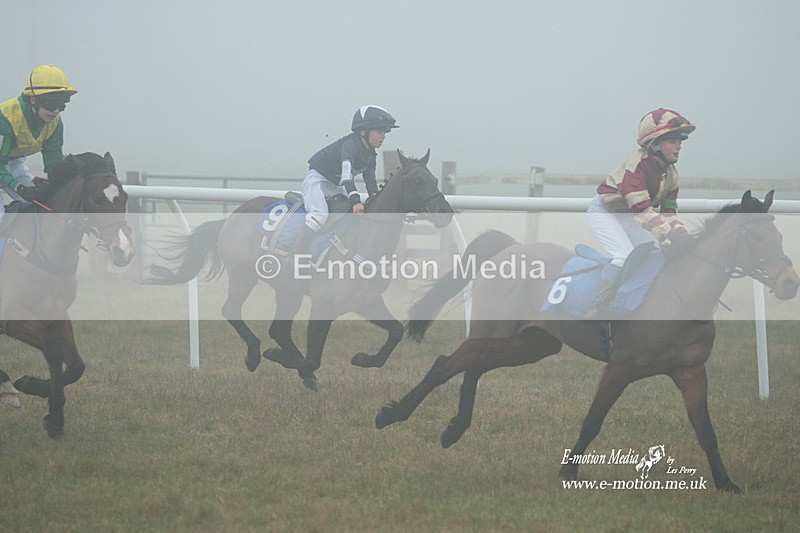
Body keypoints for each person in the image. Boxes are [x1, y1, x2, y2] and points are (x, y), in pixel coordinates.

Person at [585, 108, 695, 314]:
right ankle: (597, 305)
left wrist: (680, 232)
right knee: (624, 256)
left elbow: (669, 212)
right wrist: (669, 233)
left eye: (680, 142)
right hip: (605, 212)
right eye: (673, 142)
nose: (679, 147)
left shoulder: (671, 173)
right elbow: (641, 210)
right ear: (654, 144)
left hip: (630, 214)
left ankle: (634, 301)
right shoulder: (637, 166)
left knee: (654, 253)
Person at [292, 105, 398, 254]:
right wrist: (355, 201)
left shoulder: (370, 154)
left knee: (348, 215)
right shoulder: (349, 146)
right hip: (317, 180)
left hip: (335, 184)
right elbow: (346, 176)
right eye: (379, 132)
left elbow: (371, 182)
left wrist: (375, 199)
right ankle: (297, 252)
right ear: (363, 132)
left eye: (385, 132)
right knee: (319, 215)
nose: (383, 136)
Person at [0, 65, 77, 219]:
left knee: (44, 205)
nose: (56, 111)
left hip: (12, 161)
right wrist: (19, 187)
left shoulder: (55, 123)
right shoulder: (6, 120)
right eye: (51, 104)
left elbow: (54, 164)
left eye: (61, 105)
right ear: (33, 99)